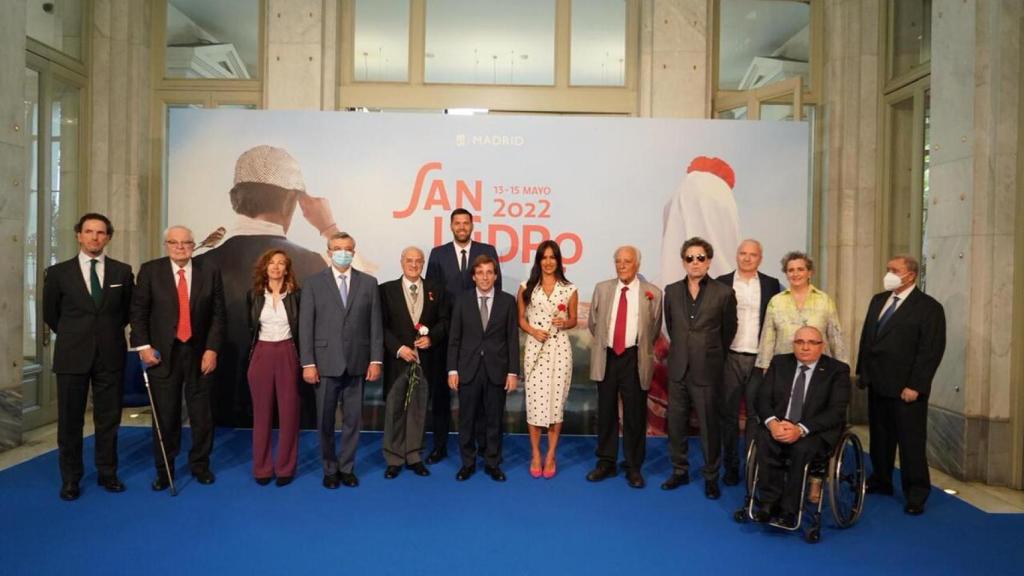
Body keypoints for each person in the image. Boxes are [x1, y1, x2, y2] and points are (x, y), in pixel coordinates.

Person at [197, 145, 328, 429]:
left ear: (235, 199)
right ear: (289, 202)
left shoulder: (203, 263)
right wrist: (328, 227)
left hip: (220, 397)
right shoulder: (314, 263)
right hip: (294, 390)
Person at [43, 213, 133, 501]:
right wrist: (77, 337)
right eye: (89, 232)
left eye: (101, 232)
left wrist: (102, 336)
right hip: (72, 357)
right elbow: (51, 315)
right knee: (70, 422)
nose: (95, 237)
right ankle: (71, 479)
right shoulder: (58, 273)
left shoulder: (122, 271)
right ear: (78, 235)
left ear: (108, 237)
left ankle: (108, 473)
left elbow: (127, 313)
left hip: (110, 355)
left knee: (108, 420)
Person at [130, 226, 226, 490]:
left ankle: (200, 465)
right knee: (165, 415)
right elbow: (138, 312)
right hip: (162, 354)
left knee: (202, 415)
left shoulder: (210, 271)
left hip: (199, 353)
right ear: (166, 245)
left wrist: (212, 349)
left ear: (193, 245)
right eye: (174, 242)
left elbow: (219, 314)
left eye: (185, 243)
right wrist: (144, 347)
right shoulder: (151, 271)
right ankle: (165, 470)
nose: (180, 247)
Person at [858, 255, 945, 516]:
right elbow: (868, 339)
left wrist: (916, 385)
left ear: (911, 275)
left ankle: (916, 492)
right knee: (880, 438)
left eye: (894, 270)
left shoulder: (928, 307)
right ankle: (881, 480)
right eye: (888, 269)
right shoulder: (878, 300)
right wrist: (863, 373)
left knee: (911, 443)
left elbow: (930, 351)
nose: (889, 274)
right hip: (878, 383)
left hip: (907, 389)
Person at [299, 232, 383, 489]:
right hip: (324, 364)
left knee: (353, 420)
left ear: (354, 252)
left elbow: (375, 324)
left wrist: (376, 360)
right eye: (337, 248)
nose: (343, 252)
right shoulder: (313, 283)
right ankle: (329, 468)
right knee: (324, 420)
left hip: (358, 362)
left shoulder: (369, 283)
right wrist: (308, 363)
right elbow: (306, 325)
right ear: (328, 252)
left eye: (347, 248)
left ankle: (347, 467)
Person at [424, 208, 502, 464]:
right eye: (457, 223)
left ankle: (482, 447)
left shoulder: (487, 250)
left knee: (479, 394)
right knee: (441, 393)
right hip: (446, 334)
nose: (461, 227)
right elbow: (431, 295)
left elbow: (495, 291)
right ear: (451, 226)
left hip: (479, 338)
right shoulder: (438, 254)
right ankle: (439, 446)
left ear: (472, 225)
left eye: (465, 223)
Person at [662, 237, 738, 499]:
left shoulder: (723, 293)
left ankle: (710, 476)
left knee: (709, 426)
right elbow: (672, 328)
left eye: (700, 257)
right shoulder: (670, 291)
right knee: (676, 424)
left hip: (708, 370)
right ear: (683, 261)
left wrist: (708, 353)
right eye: (689, 258)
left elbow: (729, 331)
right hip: (678, 368)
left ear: (709, 261)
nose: (695, 262)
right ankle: (679, 471)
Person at [754, 326, 851, 528]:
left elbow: (836, 411)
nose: (805, 347)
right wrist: (772, 423)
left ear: (821, 346)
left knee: (800, 448)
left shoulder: (837, 370)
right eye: (799, 342)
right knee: (765, 438)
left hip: (814, 430)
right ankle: (769, 503)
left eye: (812, 342)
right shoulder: (780, 363)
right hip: (780, 423)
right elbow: (762, 398)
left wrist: (801, 429)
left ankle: (789, 509)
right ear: (793, 344)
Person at [585, 246, 663, 489]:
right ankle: (606, 463)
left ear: (637, 264)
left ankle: (633, 466)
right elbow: (593, 323)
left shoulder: (653, 293)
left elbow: (654, 329)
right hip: (607, 356)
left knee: (634, 415)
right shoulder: (602, 289)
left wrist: (636, 348)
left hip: (634, 358)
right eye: (618, 261)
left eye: (627, 261)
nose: (622, 266)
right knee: (606, 412)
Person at [447, 255, 519, 482]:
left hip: (497, 370)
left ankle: (492, 463)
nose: (485, 277)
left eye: (489, 272)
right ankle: (467, 463)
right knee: (467, 419)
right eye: (480, 272)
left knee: (494, 419)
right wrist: (452, 370)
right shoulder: (462, 300)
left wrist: (512, 372)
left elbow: (512, 339)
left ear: (496, 276)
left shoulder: (507, 301)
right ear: (473, 276)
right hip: (467, 369)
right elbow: (454, 338)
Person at [715, 239, 781, 485]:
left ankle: (753, 465)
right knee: (728, 416)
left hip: (760, 360)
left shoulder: (771, 284)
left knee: (755, 416)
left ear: (760, 258)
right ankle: (731, 467)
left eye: (752, 254)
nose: (747, 258)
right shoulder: (721, 282)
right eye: (743, 253)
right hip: (730, 357)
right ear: (736, 255)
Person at [379, 247, 448, 479]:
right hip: (398, 360)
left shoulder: (436, 290)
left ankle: (414, 455)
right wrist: (399, 349)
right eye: (409, 260)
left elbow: (444, 322)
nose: (414, 265)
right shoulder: (386, 290)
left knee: (418, 410)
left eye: (418, 261)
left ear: (423, 263)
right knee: (394, 410)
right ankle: (394, 458)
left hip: (425, 361)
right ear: (401, 262)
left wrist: (432, 338)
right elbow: (381, 326)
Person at [517, 240, 578, 479]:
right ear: (539, 260)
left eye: (553, 257)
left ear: (559, 261)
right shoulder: (526, 287)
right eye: (544, 257)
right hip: (535, 349)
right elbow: (520, 319)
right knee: (535, 405)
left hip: (560, 351)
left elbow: (573, 319)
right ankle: (535, 453)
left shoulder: (569, 288)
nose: (549, 262)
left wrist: (566, 323)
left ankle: (551, 454)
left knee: (555, 406)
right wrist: (532, 331)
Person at [245, 249, 302, 487]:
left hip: (288, 352)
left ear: (287, 269)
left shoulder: (297, 295)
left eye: (281, 263)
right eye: (272, 263)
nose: (276, 267)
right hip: (262, 353)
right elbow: (249, 327)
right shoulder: (254, 295)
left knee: (289, 413)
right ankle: (262, 468)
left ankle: (286, 467)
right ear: (265, 267)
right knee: (262, 414)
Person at [756, 251, 847, 371]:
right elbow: (767, 340)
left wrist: (843, 368)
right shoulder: (776, 302)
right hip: (784, 370)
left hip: (819, 370)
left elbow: (836, 338)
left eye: (800, 269)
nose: (795, 274)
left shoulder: (825, 301)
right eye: (791, 270)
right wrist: (765, 368)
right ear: (786, 274)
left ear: (809, 273)